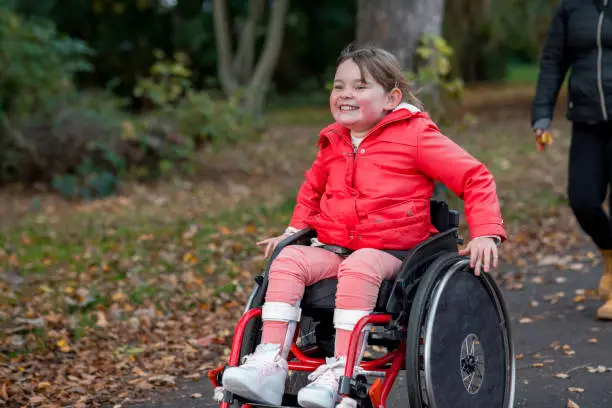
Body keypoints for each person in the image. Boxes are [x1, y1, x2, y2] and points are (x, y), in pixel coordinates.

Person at [221, 45, 506, 408]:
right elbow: (312, 190)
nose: (345, 95)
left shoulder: (415, 135)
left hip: (394, 252)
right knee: (289, 259)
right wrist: (293, 232)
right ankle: (268, 363)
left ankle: (342, 371)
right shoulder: (334, 140)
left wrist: (485, 231)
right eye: (339, 86)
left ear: (391, 98)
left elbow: (474, 176)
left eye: (359, 87)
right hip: (337, 247)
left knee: (359, 265)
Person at [531, 0, 612, 321]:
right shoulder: (571, 8)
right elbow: (553, 61)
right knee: (583, 199)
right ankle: (610, 254)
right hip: (587, 121)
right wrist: (542, 115)